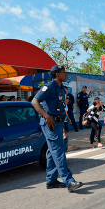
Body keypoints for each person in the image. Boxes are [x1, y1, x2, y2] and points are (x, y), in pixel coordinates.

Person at [31, 65, 83, 193]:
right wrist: (46, 116)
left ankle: (51, 180)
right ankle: (69, 181)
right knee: (58, 151)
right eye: (64, 72)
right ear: (57, 74)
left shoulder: (61, 89)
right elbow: (34, 101)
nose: (66, 74)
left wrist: (63, 126)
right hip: (50, 123)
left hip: (58, 123)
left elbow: (60, 108)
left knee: (52, 152)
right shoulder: (48, 87)